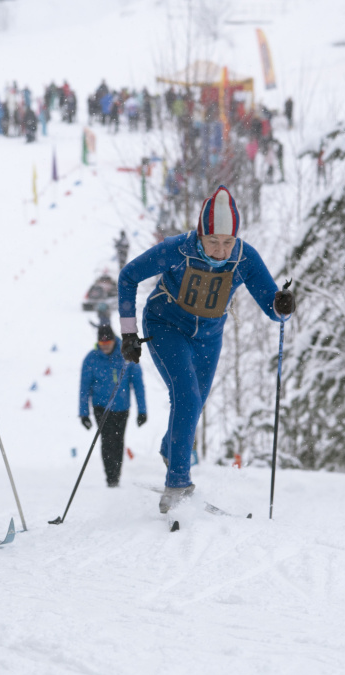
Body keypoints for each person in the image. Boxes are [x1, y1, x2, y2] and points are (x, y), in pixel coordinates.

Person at [117, 186, 295, 513]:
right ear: (201, 234)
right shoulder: (178, 248)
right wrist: (129, 333)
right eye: (212, 241)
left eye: (227, 242)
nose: (219, 250)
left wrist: (282, 304)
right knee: (187, 397)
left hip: (209, 337)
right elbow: (128, 276)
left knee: (194, 403)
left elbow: (273, 308)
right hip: (166, 324)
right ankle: (179, 483)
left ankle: (172, 451)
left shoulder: (244, 257)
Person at [78, 324, 147, 487]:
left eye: (108, 343)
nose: (105, 347)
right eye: (102, 345)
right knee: (107, 440)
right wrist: (83, 414)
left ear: (113, 341)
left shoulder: (126, 356)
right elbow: (84, 387)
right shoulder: (91, 358)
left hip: (122, 407)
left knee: (118, 441)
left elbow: (138, 385)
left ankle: (116, 474)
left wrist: (142, 411)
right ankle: (111, 477)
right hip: (101, 408)